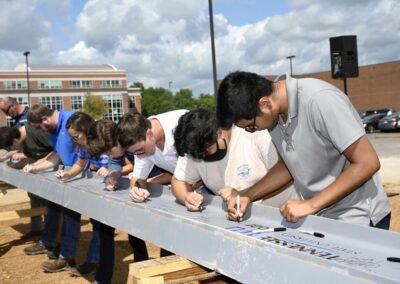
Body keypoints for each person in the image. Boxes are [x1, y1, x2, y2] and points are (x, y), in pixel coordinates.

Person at [216, 71, 391, 229]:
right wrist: (247, 195)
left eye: (251, 126)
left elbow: (367, 162)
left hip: (358, 215)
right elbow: (287, 167)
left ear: (265, 103)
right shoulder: (274, 115)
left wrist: (311, 204)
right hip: (322, 214)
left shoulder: (320, 99)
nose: (254, 130)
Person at [87, 118, 167, 284]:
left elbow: (167, 170)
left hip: (161, 188)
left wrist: (145, 182)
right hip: (138, 189)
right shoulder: (118, 148)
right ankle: (108, 277)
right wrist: (114, 175)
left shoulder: (137, 139)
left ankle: (155, 274)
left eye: (109, 151)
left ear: (118, 140)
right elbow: (116, 162)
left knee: (163, 235)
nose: (108, 156)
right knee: (121, 229)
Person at [171, 108, 298, 212]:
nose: (202, 157)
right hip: (243, 219)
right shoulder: (196, 148)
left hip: (284, 213)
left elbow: (286, 172)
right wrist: (186, 197)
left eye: (206, 152)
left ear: (219, 132)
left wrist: (243, 195)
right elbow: (178, 180)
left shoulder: (252, 132)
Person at [24, 104, 99, 273]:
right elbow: (58, 154)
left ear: (45, 119)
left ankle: (83, 258)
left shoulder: (73, 120)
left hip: (87, 177)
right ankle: (65, 254)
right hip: (70, 176)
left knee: (92, 223)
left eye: (39, 127)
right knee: (65, 214)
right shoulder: (53, 131)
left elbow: (90, 146)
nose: (40, 130)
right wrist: (37, 167)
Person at [54, 111, 108, 276]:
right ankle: (94, 260)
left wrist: (112, 170)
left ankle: (95, 261)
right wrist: (68, 174)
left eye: (76, 136)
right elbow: (80, 164)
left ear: (86, 130)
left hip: (113, 186)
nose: (74, 140)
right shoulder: (83, 146)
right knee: (97, 224)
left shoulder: (105, 139)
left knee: (102, 227)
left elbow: (125, 163)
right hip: (98, 186)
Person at [116, 110, 188, 202]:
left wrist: (180, 188)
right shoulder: (141, 139)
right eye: (134, 153)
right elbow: (138, 178)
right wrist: (137, 190)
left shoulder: (182, 125)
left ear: (149, 134)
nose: (139, 155)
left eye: (140, 150)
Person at [0, 125, 53, 238]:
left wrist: (37, 164)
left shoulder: (38, 133)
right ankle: (39, 229)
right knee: (35, 198)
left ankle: (50, 235)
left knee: (49, 205)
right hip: (37, 170)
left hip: (53, 172)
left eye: (8, 148)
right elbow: (32, 155)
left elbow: (56, 151)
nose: (9, 151)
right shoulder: (22, 139)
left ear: (14, 141)